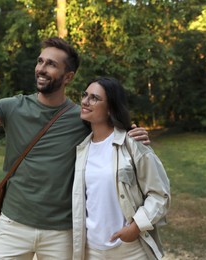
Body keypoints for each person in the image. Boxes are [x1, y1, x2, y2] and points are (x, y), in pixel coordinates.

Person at [0, 24, 150, 260]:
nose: (42, 68)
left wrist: (135, 134)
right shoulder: (13, 107)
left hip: (62, 233)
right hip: (13, 225)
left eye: (51, 64)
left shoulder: (83, 119)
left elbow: (116, 135)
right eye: (40, 61)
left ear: (68, 77)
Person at [72, 77, 171, 260]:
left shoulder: (132, 144)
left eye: (94, 98)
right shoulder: (81, 150)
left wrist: (136, 227)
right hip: (91, 250)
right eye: (85, 95)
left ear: (110, 108)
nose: (85, 101)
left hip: (130, 250)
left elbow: (160, 194)